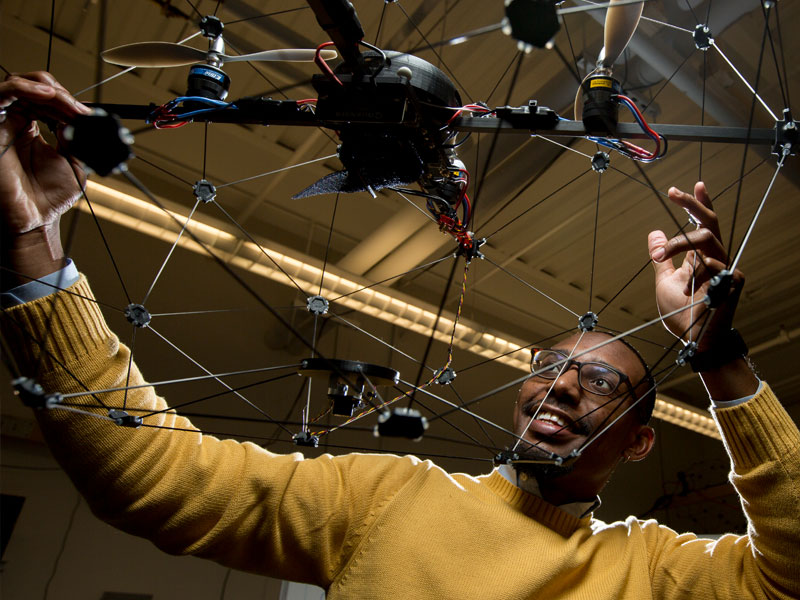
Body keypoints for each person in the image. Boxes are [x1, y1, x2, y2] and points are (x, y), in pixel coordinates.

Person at [1, 72, 798, 599]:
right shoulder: (389, 498)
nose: (556, 385)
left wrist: (718, 358)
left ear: (638, 444)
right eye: (549, 366)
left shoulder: (654, 571)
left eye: (597, 382)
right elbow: (151, 477)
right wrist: (32, 248)